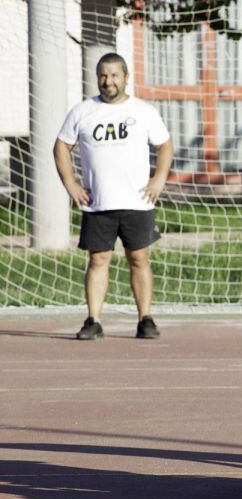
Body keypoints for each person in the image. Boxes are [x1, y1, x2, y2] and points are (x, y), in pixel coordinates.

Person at [53, 52, 174, 341]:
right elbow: (61, 147)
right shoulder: (82, 111)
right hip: (99, 203)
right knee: (98, 260)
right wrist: (71, 184)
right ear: (97, 78)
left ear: (126, 77)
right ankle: (93, 320)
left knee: (139, 258)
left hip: (137, 202)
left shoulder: (143, 111)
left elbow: (165, 145)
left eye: (114, 75)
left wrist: (158, 180)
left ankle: (145, 319)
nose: (109, 81)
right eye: (103, 76)